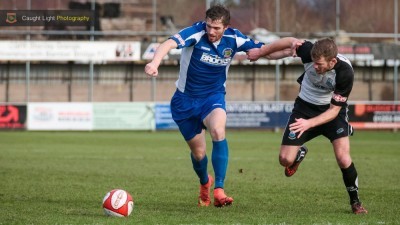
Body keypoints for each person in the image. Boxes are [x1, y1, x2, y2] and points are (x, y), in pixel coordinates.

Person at [144, 4, 263, 207]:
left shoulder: (234, 38)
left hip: (213, 97)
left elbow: (263, 49)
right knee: (199, 154)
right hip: (184, 102)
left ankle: (219, 189)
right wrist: (155, 63)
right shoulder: (196, 33)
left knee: (218, 130)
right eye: (209, 26)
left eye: (216, 28)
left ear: (226, 27)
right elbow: (168, 44)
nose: (211, 31)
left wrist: (291, 49)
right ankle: (204, 183)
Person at [247, 37, 368, 214]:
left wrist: (309, 124)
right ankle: (300, 152)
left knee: (343, 158)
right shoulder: (309, 50)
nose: (315, 67)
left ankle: (355, 202)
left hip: (332, 113)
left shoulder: (345, 73)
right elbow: (289, 41)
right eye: (314, 63)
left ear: (333, 61)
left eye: (319, 64)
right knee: (285, 160)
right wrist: (260, 52)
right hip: (304, 108)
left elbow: (334, 111)